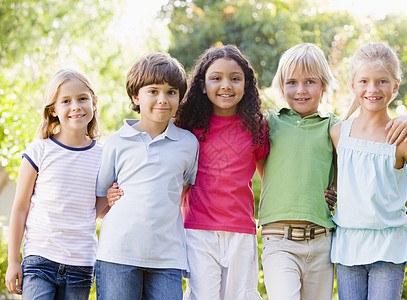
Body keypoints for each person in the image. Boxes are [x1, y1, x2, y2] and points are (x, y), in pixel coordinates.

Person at [257, 43, 407, 300]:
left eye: (310, 81)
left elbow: (355, 160)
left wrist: (404, 119)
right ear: (281, 84)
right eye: (292, 82)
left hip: (322, 240)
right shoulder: (270, 124)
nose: (300, 90)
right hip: (278, 239)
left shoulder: (334, 127)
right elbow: (263, 167)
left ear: (323, 85)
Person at [330, 42, 407, 300]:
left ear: (395, 85)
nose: (372, 89)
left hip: (388, 249)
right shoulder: (338, 133)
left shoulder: (402, 139)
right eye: (364, 81)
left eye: (382, 81)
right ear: (353, 85)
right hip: (348, 249)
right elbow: (336, 182)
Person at [95, 52, 199, 299]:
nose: (162, 99)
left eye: (171, 92)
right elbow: (100, 205)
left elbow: (181, 192)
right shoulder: (116, 142)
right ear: (135, 96)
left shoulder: (188, 143)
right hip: (117, 255)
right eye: (153, 91)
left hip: (167, 259)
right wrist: (110, 198)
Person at [175, 44, 268, 300]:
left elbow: (267, 178)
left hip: (241, 229)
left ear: (246, 84)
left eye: (235, 79)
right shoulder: (188, 126)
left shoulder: (257, 128)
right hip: (198, 229)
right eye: (216, 78)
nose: (225, 85)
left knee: (242, 295)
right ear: (203, 85)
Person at [5, 69, 102, 299]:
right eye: (66, 101)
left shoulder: (103, 155)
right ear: (53, 110)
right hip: (40, 260)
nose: (76, 106)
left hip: (81, 263)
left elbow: (94, 210)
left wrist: (111, 196)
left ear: (94, 102)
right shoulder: (39, 151)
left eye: (82, 98)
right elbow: (19, 209)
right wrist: (13, 261)